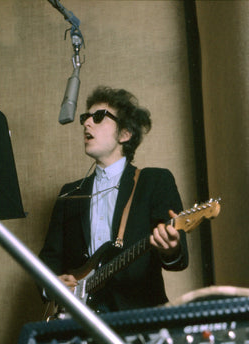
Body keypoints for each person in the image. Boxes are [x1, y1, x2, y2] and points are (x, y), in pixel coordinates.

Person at [39, 86, 188, 312]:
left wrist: (171, 249)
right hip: (80, 321)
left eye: (98, 117)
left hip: (138, 319)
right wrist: (51, 285)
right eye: (85, 118)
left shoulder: (154, 181)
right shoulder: (68, 194)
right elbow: (49, 259)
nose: (87, 123)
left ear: (125, 133)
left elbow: (178, 257)